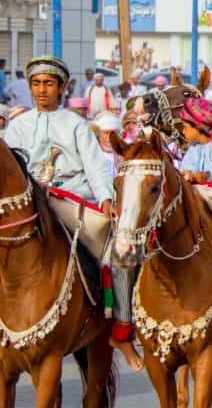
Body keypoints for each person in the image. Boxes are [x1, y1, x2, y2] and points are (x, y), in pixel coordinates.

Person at [4, 57, 144, 371]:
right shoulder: (18, 126)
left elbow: (95, 165)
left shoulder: (76, 124)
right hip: (28, 203)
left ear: (62, 87)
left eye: (48, 83)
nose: (42, 90)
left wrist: (105, 197)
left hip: (69, 199)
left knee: (119, 251)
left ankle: (122, 329)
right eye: (36, 84)